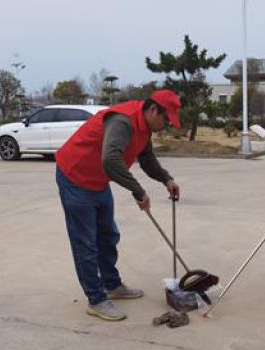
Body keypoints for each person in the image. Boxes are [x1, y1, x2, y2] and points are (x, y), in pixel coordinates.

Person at [55, 89, 182, 321]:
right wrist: (138, 191)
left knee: (108, 235)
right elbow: (111, 160)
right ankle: (96, 300)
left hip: (99, 180)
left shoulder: (145, 128)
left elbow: (146, 158)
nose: (167, 125)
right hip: (75, 177)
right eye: (166, 119)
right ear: (154, 110)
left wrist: (166, 178)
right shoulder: (122, 121)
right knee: (86, 243)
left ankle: (112, 285)